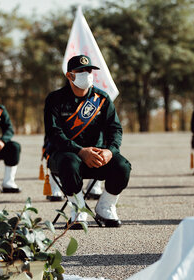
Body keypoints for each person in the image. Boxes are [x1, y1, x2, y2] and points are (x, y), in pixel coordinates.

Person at [44, 54, 131, 228]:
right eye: (81, 71)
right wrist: (80, 151)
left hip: (96, 157)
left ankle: (106, 206)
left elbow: (115, 129)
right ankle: (78, 209)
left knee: (123, 166)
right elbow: (54, 133)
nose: (87, 74)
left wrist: (110, 151)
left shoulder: (102, 99)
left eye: (89, 70)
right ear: (69, 75)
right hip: (65, 156)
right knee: (69, 162)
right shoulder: (55, 99)